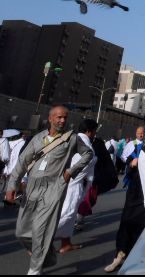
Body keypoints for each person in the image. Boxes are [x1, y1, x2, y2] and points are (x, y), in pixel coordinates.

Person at [5, 106, 94, 275]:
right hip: (32, 187)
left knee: (41, 229)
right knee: (21, 231)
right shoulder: (38, 138)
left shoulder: (71, 138)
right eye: (59, 117)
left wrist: (70, 171)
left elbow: (88, 154)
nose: (62, 121)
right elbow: (22, 162)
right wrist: (12, 186)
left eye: (65, 118)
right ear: (51, 118)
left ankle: (35, 268)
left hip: (55, 187)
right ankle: (47, 254)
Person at [105, 126, 145, 273]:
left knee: (144, 224)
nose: (141, 135)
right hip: (135, 186)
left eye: (143, 133)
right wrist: (131, 163)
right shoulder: (131, 145)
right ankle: (120, 254)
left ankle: (136, 257)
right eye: (139, 133)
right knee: (127, 220)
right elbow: (126, 159)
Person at [56, 118, 98, 253]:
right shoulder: (81, 142)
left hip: (76, 182)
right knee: (67, 213)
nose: (94, 134)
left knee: (71, 214)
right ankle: (40, 239)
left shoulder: (78, 140)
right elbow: (81, 164)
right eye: (94, 131)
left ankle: (65, 243)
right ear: (89, 131)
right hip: (73, 183)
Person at [1, 129, 24, 205]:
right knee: (10, 184)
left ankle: (12, 199)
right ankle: (9, 198)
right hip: (11, 168)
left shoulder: (20, 143)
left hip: (13, 167)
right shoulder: (10, 144)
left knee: (13, 184)